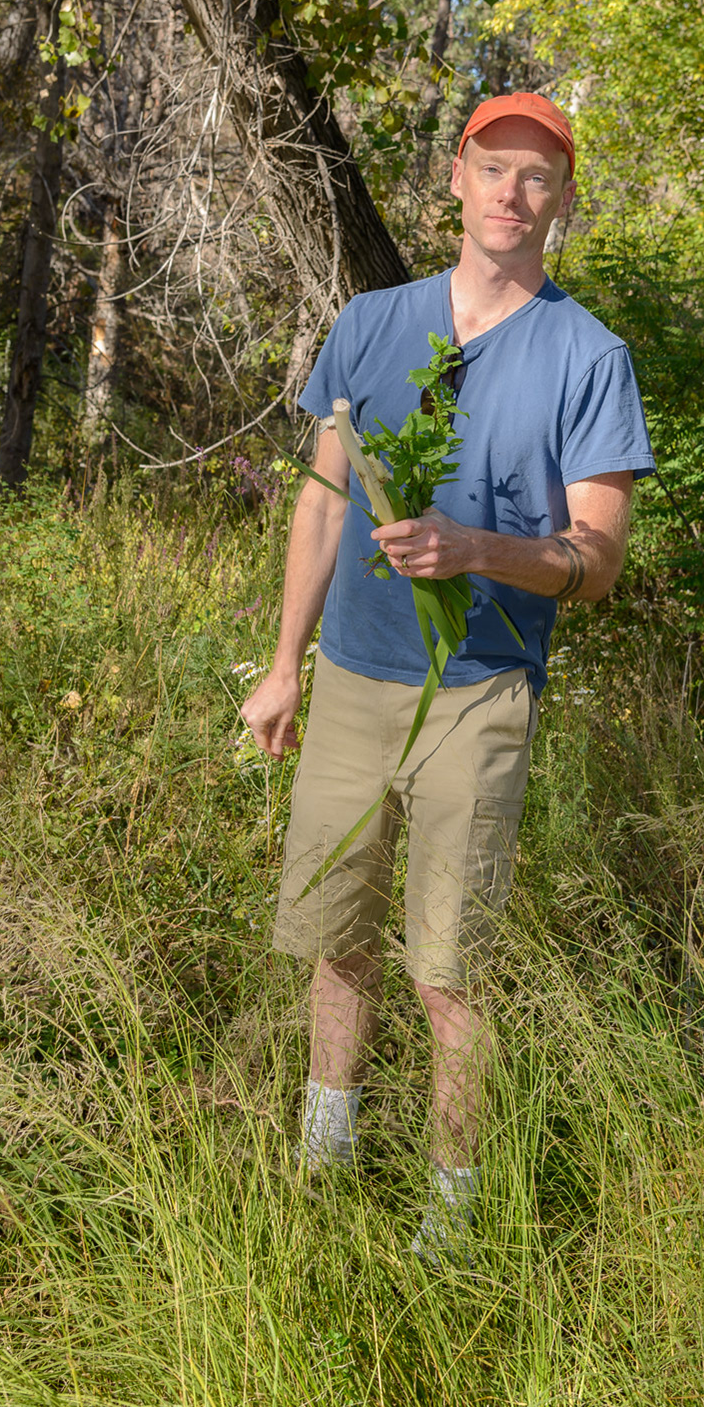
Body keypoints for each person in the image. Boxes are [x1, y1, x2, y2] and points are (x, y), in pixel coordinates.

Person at [241, 92, 654, 1264]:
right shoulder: (372, 324)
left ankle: (452, 1219)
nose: (513, 196)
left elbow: (600, 563)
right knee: (336, 938)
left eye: (538, 178)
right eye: (493, 169)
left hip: (479, 697)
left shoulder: (589, 356)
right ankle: (323, 1170)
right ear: (456, 181)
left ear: (563, 201)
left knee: (449, 971)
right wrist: (282, 668)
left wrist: (477, 550)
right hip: (348, 683)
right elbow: (323, 507)